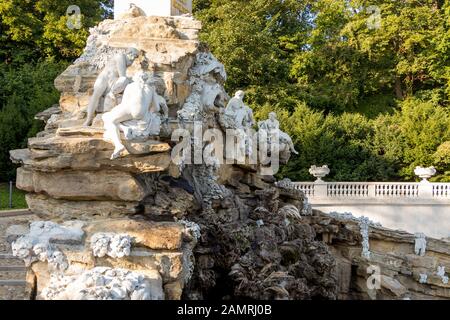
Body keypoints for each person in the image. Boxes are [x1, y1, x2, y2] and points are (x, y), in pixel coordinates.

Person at [103, 71, 158, 159]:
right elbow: (157, 108)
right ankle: (124, 128)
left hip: (131, 110)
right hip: (142, 114)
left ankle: (118, 145)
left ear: (135, 77)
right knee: (111, 118)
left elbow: (124, 104)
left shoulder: (130, 86)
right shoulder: (151, 89)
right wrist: (147, 111)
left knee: (108, 118)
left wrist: (115, 110)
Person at [84, 47, 139, 126]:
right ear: (128, 52)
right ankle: (88, 119)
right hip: (105, 78)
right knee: (96, 96)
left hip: (112, 80)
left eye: (136, 57)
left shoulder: (125, 60)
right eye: (134, 55)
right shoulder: (120, 56)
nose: (134, 58)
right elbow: (122, 76)